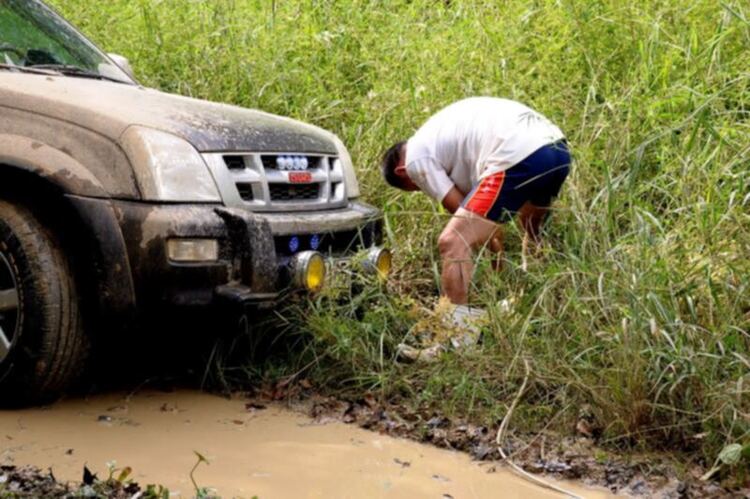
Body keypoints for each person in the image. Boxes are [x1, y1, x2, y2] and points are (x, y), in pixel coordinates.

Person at [382, 96, 570, 315]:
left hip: (517, 154)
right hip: (556, 148)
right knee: (533, 231)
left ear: (402, 172)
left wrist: (496, 261)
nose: (424, 189)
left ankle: (455, 339)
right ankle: (538, 303)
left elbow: (463, 216)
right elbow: (487, 222)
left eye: (415, 188)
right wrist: (497, 260)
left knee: (451, 242)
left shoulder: (414, 160)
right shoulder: (437, 136)